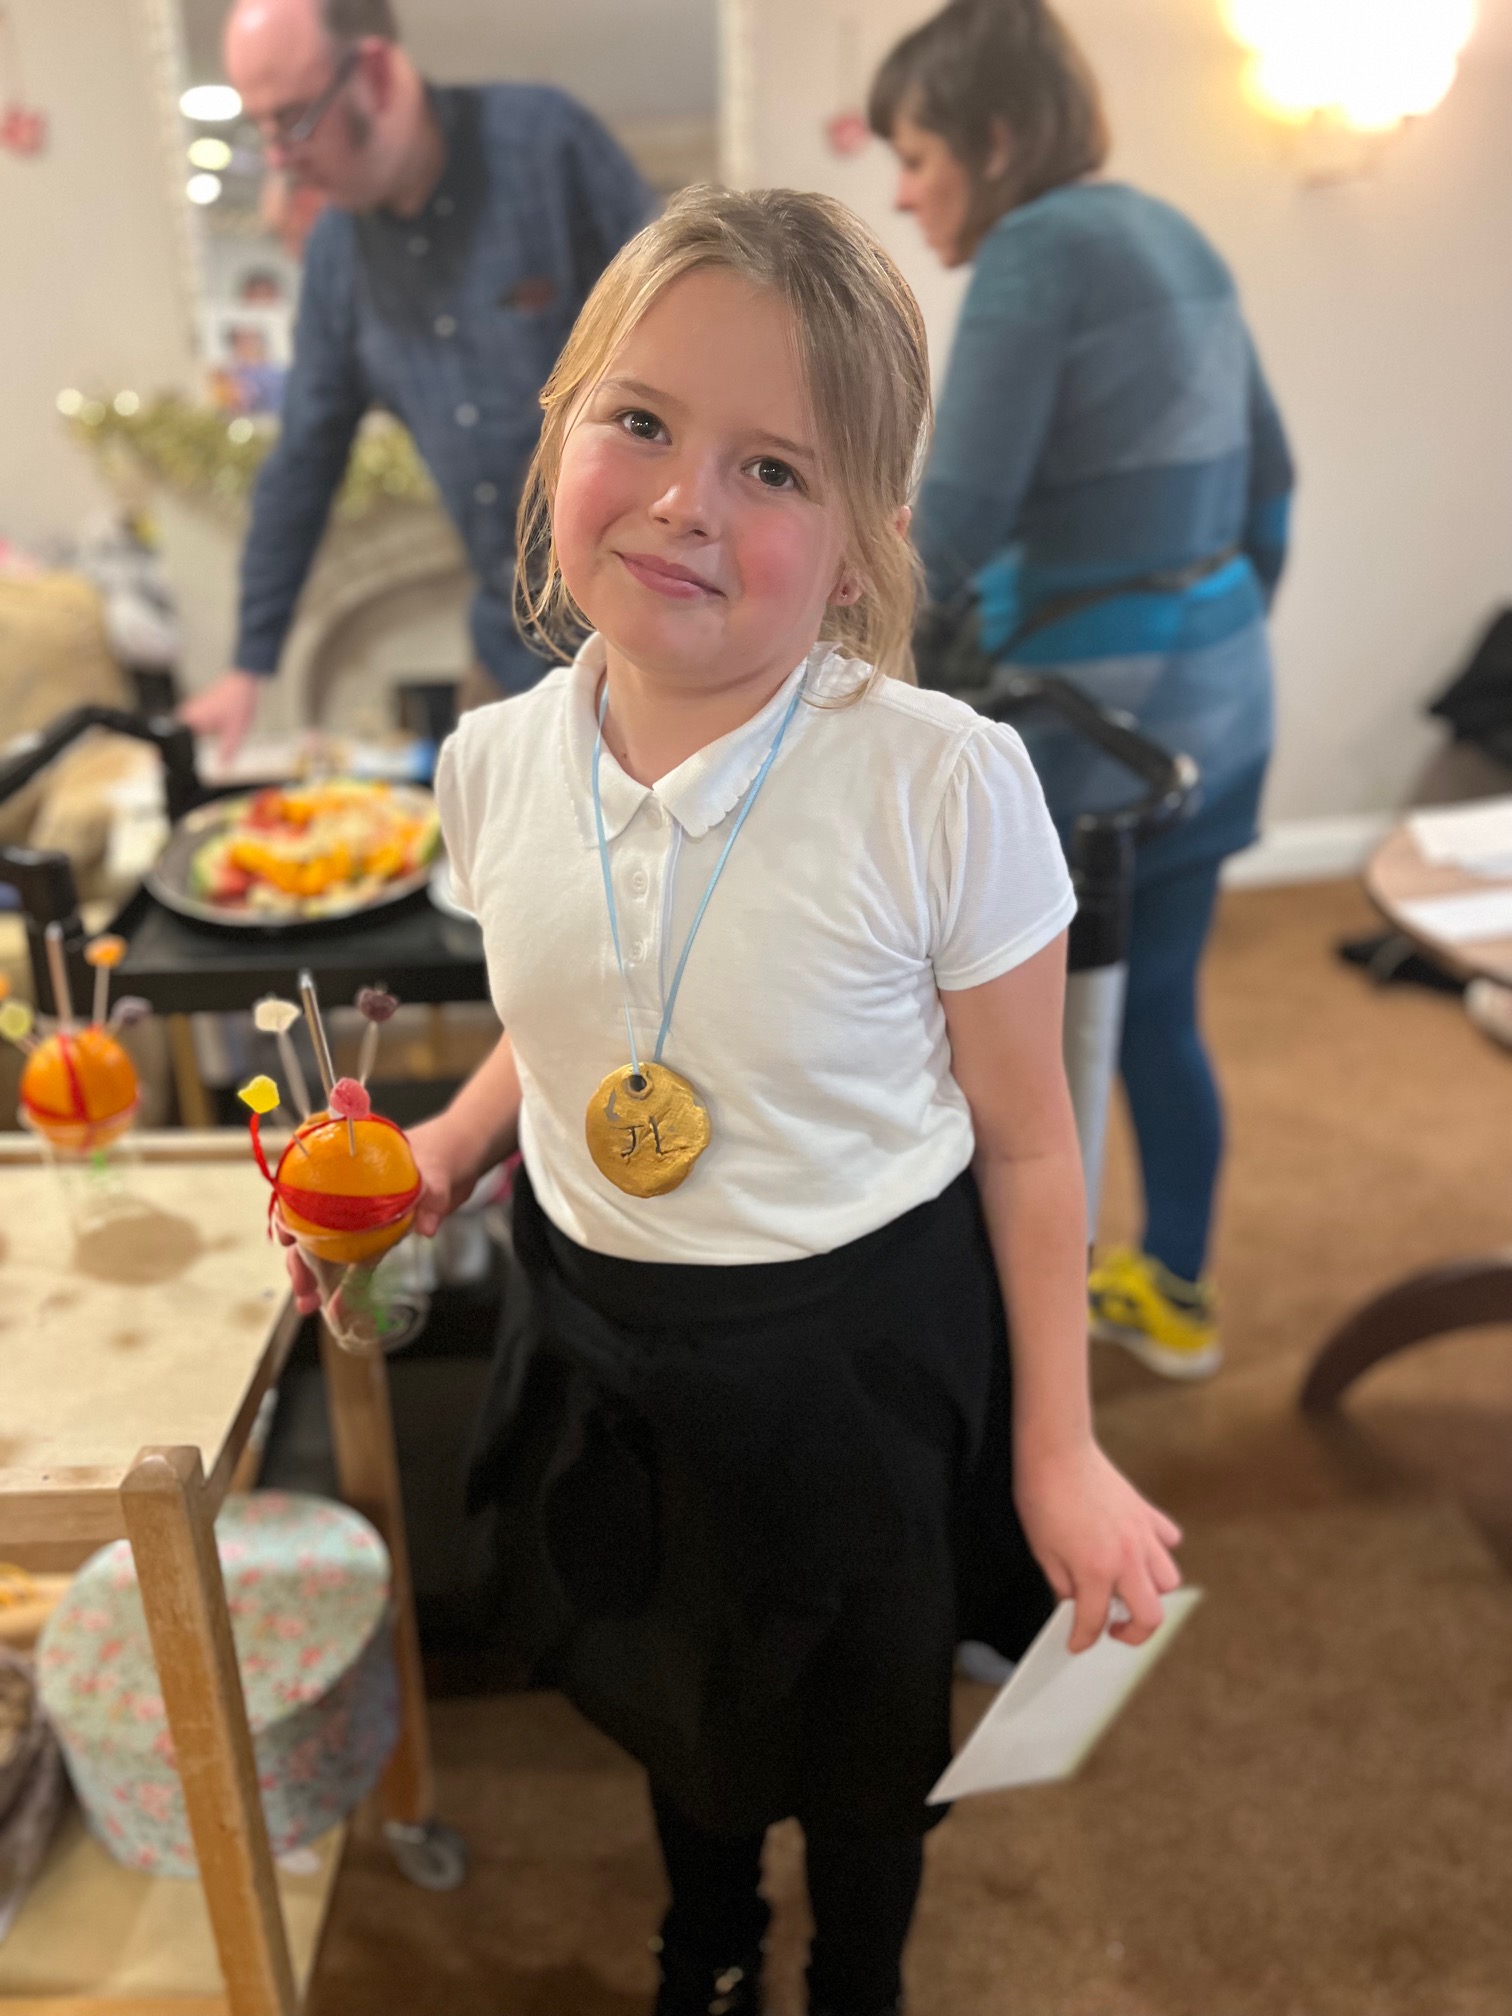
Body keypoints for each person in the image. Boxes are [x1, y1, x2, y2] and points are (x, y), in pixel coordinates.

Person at [284, 184, 1183, 2015]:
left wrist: (1060, 1445)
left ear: (861, 542)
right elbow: (581, 1013)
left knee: (861, 1744)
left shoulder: (944, 786)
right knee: (668, 1692)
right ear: (556, 438)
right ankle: (703, 1937)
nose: (689, 499)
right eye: (641, 423)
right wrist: (440, 1156)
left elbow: (1024, 1140)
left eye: (777, 468)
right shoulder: (490, 767)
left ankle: (857, 1963)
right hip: (601, 1331)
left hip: (852, 1355)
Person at [873, 0, 1295, 1381]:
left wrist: (843, 690)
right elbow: (1272, 487)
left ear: (996, 141)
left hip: (1095, 732)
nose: (903, 187)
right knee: (1160, 1002)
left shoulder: (1037, 251)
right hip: (1222, 700)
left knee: (994, 1042)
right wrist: (1208, 636)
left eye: (919, 153)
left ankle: (1011, 1341)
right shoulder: (1175, 233)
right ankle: (1174, 1289)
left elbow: (956, 526)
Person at [180, 0, 650, 762]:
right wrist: (249, 661)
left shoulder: (546, 143)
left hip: (646, 635)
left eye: (293, 118)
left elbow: (692, 334)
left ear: (372, 72)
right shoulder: (336, 253)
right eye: (260, 126)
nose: (279, 156)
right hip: (509, 644)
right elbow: (304, 457)